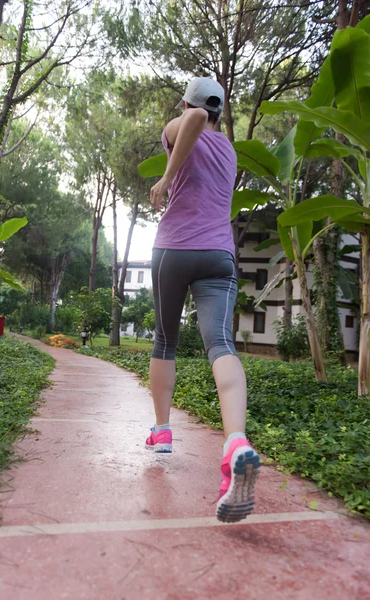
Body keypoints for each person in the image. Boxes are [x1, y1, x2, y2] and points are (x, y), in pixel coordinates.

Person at [145, 77, 260, 523]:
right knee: (220, 343)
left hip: (174, 248)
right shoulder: (230, 151)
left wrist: (165, 178)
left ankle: (162, 431)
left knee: (164, 340)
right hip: (218, 255)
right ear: (222, 112)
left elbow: (191, 120)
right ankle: (235, 443)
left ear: (190, 103)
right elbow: (204, 121)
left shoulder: (182, 123)